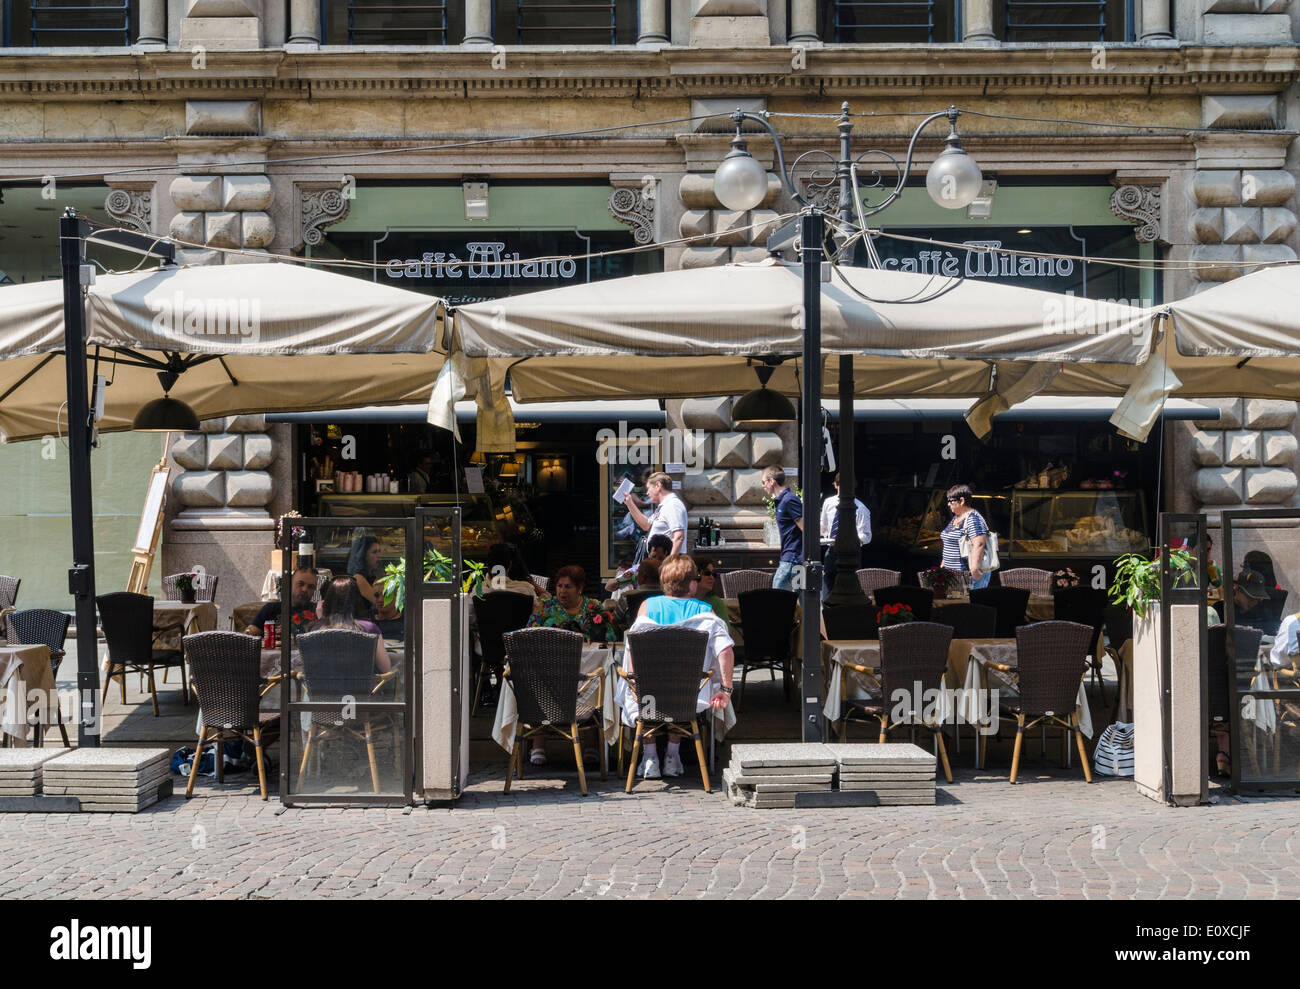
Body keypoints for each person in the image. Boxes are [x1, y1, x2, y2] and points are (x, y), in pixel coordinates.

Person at [623, 554, 735, 779]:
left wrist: (634, 680)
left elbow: (633, 646)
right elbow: (726, 651)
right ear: (692, 583)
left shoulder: (647, 606)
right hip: (689, 694)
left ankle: (650, 757)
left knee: (642, 691)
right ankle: (672, 756)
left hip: (649, 694)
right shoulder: (705, 611)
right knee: (681, 687)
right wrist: (726, 689)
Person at [525, 564, 614, 765]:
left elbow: (608, 636)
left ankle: (591, 744)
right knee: (540, 682)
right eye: (559, 586)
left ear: (580, 588)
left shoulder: (592, 607)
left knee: (595, 680)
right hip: (550, 668)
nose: (562, 591)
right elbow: (529, 633)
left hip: (585, 667)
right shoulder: (546, 606)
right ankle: (538, 743)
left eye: (568, 587)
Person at [312, 576, 391, 674]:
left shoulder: (316, 630)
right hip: (363, 689)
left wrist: (322, 619)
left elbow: (311, 668)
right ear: (357, 599)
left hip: (324, 689)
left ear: (327, 601)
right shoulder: (369, 629)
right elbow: (385, 669)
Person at [819, 471, 872, 601]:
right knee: (827, 584)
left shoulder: (860, 508)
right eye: (842, 486)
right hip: (831, 550)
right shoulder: (828, 503)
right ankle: (825, 613)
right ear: (836, 485)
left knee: (850, 587)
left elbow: (866, 536)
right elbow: (824, 527)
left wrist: (850, 539)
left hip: (852, 553)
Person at [348, 535, 403, 638]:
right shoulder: (358, 577)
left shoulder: (373, 574)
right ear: (363, 555)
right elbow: (380, 602)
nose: (379, 556)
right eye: (374, 552)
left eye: (379, 551)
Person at [622, 471, 688, 557]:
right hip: (661, 559)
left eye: (648, 488)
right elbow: (646, 525)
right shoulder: (665, 506)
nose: (647, 493)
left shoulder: (673, 505)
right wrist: (630, 503)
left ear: (658, 485)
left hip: (667, 559)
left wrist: (670, 563)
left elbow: (679, 536)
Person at [940, 483, 991, 590]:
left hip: (967, 576)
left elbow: (979, 543)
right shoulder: (957, 517)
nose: (948, 504)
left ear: (962, 501)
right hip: (955, 576)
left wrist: (974, 569)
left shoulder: (973, 518)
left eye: (951, 501)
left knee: (967, 605)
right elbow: (950, 540)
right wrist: (944, 563)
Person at [761, 466, 803, 591]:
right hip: (793, 559)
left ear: (772, 481)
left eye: (764, 482)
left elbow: (805, 528)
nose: (763, 486)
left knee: (777, 601)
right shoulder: (783, 500)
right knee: (798, 602)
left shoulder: (789, 500)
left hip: (792, 559)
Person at [245, 566, 318, 637]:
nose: (305, 589)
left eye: (311, 587)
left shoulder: (318, 612)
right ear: (290, 584)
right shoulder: (270, 609)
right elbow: (247, 635)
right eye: (300, 584)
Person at [605, 533, 671, 598]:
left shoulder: (672, 572)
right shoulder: (638, 570)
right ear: (648, 555)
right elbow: (608, 587)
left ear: (668, 557)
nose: (656, 561)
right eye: (653, 557)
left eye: (660, 558)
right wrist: (624, 579)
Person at [484, 542, 549, 600]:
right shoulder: (526, 589)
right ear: (510, 564)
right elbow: (546, 601)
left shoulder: (478, 590)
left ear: (488, 566)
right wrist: (537, 587)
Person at [692, 557, 730, 623]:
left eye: (713, 574)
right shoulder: (681, 600)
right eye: (707, 573)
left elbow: (725, 631)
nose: (711, 577)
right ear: (695, 574)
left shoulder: (717, 603)